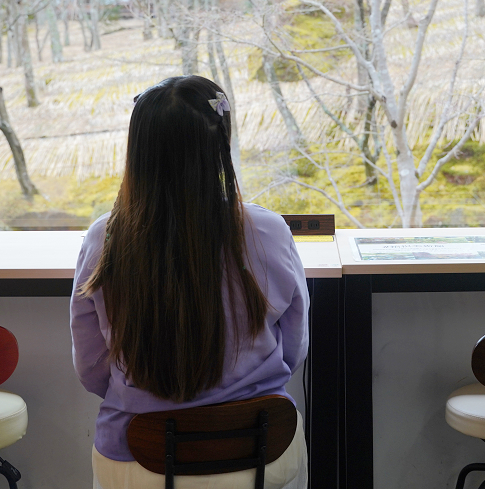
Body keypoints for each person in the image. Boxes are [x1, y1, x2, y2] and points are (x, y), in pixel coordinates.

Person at [71, 75, 309, 489]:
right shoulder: (268, 231)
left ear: (138, 149)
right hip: (259, 447)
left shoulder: (104, 237)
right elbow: (294, 347)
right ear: (220, 145)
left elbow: (90, 367)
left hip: (138, 456)